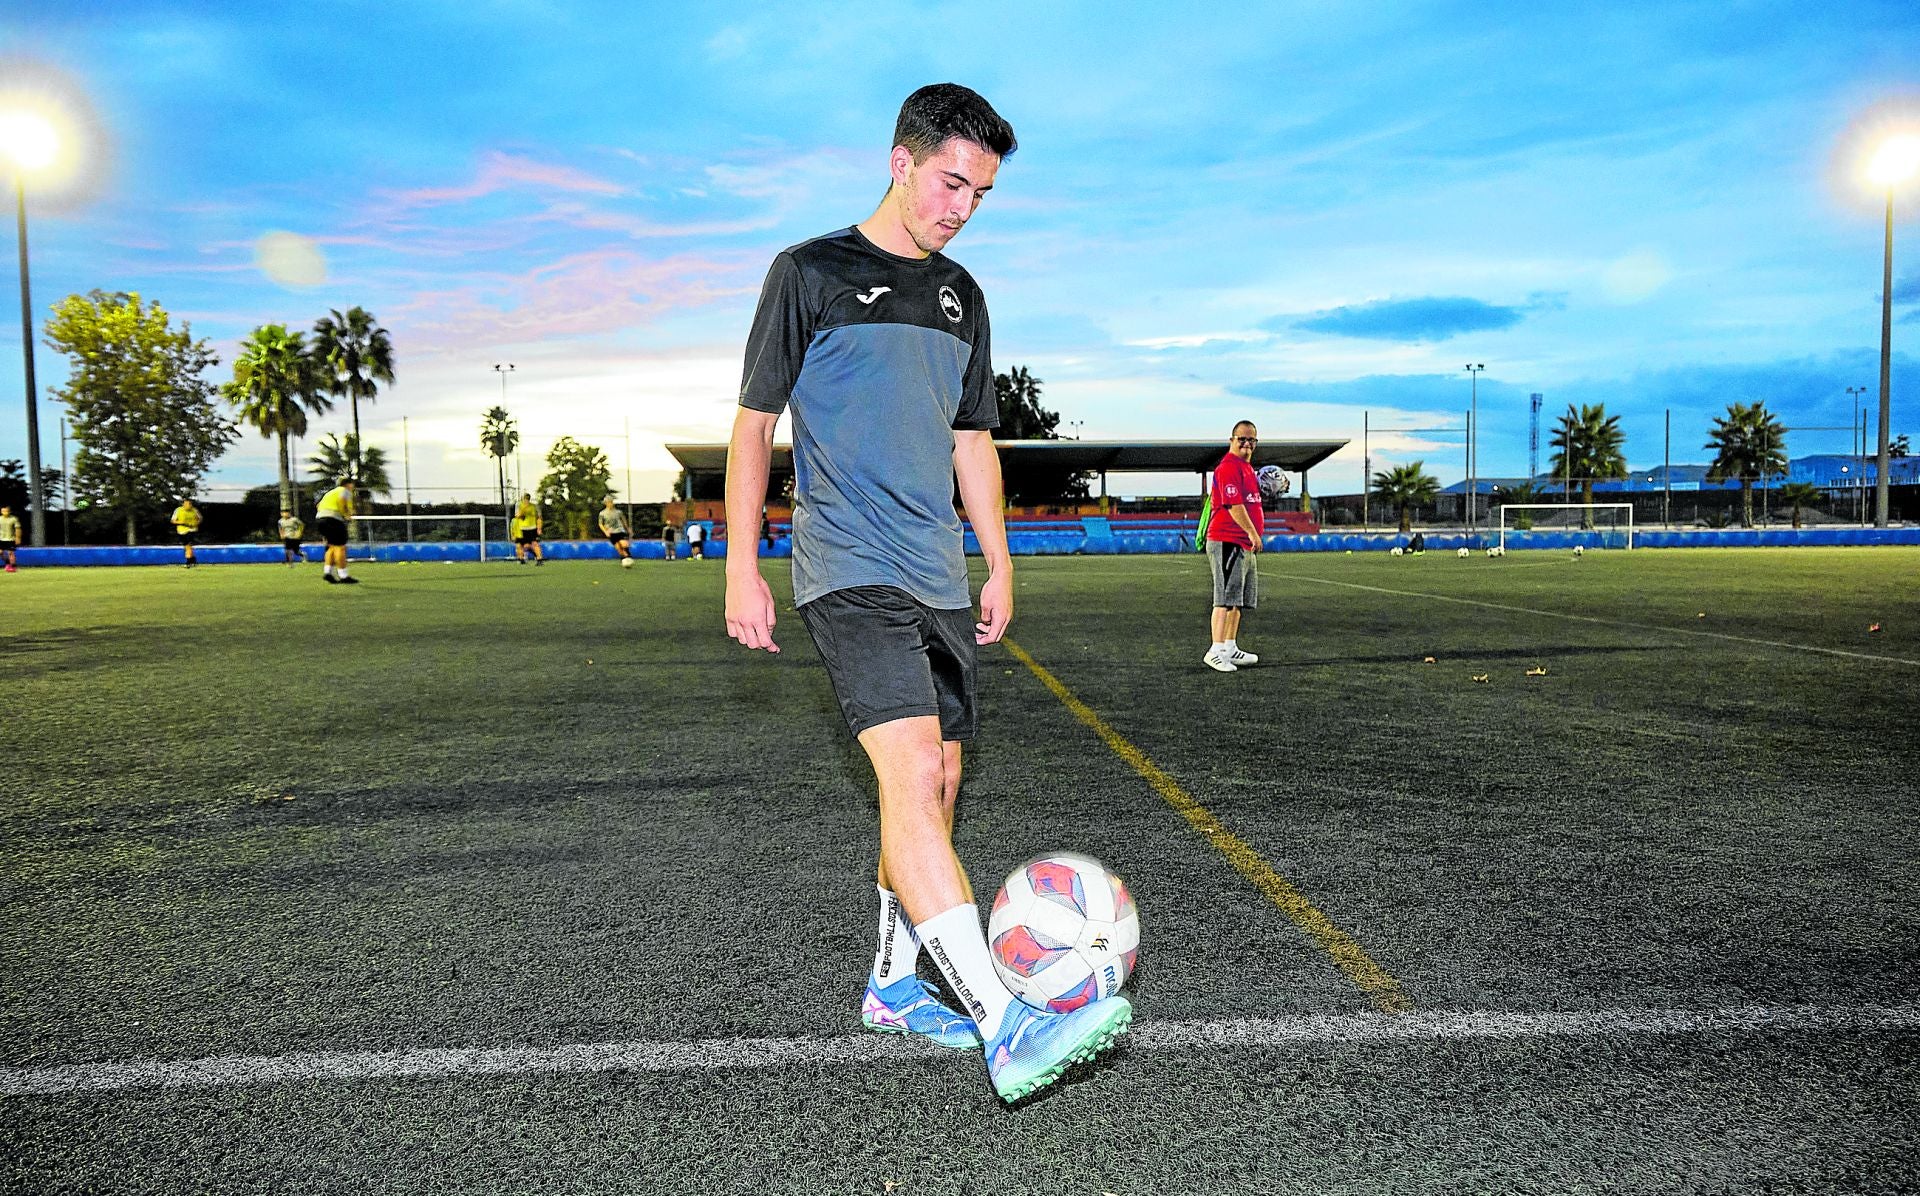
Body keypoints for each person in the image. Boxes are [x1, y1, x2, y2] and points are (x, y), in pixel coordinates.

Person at [725, 83, 1129, 1105]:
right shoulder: (808, 273)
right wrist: (740, 565)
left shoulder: (964, 297)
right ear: (900, 160)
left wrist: (998, 558)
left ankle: (895, 982)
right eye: (952, 182)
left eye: (982, 194)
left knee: (940, 780)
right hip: (846, 562)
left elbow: (971, 440)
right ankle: (1005, 1016)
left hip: (936, 570)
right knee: (908, 769)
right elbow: (752, 426)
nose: (962, 207)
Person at [1203, 421, 1264, 672]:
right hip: (1227, 539)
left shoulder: (1247, 468)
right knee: (1225, 598)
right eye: (1242, 439)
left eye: (1251, 440)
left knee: (1238, 600)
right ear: (1231, 440)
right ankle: (1215, 650)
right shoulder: (1228, 467)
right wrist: (1252, 532)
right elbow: (1233, 505)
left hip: (1242, 544)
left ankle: (1229, 647)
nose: (1247, 444)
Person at [315, 479, 358, 584]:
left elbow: (318, 505)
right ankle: (343, 576)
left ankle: (328, 573)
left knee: (332, 546)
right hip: (333, 519)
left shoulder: (331, 492)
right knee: (340, 547)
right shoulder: (345, 491)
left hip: (321, 519)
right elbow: (342, 500)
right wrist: (345, 514)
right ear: (348, 484)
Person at [598, 496, 634, 565]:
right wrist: (605, 531)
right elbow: (600, 524)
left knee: (623, 543)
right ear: (605, 503)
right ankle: (624, 559)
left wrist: (628, 529)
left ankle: (629, 557)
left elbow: (624, 521)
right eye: (608, 502)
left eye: (611, 502)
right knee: (618, 548)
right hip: (611, 532)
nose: (610, 503)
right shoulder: (602, 513)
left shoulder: (618, 512)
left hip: (619, 530)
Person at [512, 493, 544, 565]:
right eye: (525, 498)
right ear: (522, 499)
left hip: (532, 528)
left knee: (534, 543)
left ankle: (539, 559)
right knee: (519, 544)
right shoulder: (519, 505)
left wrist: (539, 528)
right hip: (521, 528)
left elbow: (539, 517)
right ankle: (521, 559)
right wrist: (523, 510)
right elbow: (517, 516)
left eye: (527, 498)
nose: (526, 500)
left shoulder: (534, 506)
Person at [171, 497, 203, 567]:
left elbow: (200, 518)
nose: (189, 505)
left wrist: (196, 523)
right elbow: (173, 520)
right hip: (181, 531)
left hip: (192, 530)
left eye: (190, 504)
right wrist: (181, 522)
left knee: (188, 544)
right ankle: (193, 559)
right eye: (187, 504)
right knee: (187, 546)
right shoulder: (178, 510)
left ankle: (188, 561)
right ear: (183, 504)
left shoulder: (194, 510)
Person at [0, 505, 18, 573]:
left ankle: (13, 567)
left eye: (6, 511)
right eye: (3, 511)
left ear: (9, 511)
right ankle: (7, 563)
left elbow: (17, 528)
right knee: (0, 552)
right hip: (1, 539)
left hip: (10, 539)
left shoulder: (13, 519)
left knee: (11, 552)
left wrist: (17, 537)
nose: (5, 512)